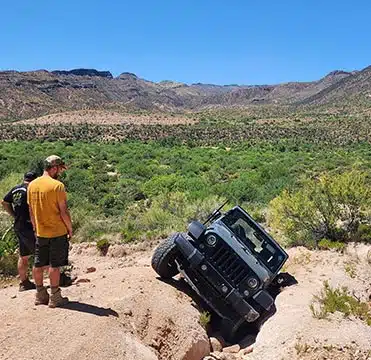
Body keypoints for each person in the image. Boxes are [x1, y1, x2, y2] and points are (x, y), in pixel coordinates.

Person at [27, 155, 72, 308]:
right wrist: (69, 228)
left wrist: (35, 227)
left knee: (38, 263)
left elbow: (31, 211)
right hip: (57, 231)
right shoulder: (57, 186)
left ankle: (40, 294)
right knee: (54, 264)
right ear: (54, 168)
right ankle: (55, 296)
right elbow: (63, 211)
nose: (60, 172)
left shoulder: (32, 185)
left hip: (41, 231)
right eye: (59, 169)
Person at [1, 171, 38, 291]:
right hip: (29, 226)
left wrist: (13, 214)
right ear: (34, 180)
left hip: (18, 226)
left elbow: (4, 202)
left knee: (24, 255)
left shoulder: (15, 189)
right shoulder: (31, 189)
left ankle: (24, 282)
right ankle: (44, 284)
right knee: (40, 254)